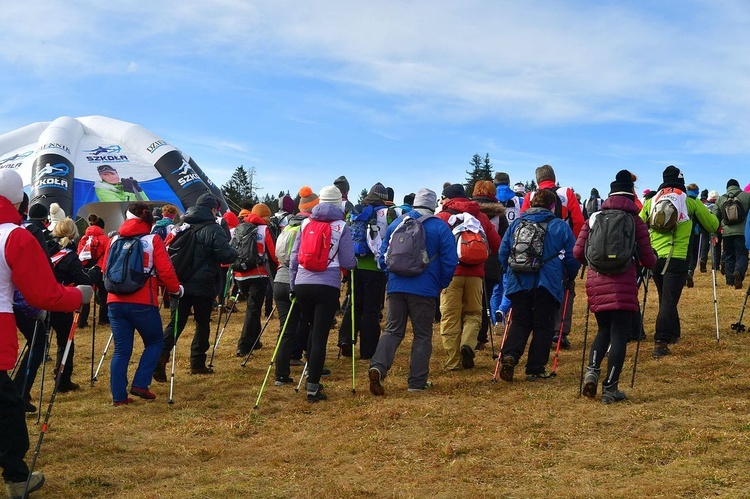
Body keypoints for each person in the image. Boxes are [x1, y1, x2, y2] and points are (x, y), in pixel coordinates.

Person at [0, 169, 90, 498]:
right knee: (8, 410)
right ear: (19, 199)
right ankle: (16, 477)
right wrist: (78, 296)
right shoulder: (15, 235)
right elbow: (43, 295)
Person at [574, 170, 656, 403]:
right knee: (619, 334)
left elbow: (577, 252)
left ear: (610, 195)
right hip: (624, 281)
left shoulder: (594, 218)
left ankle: (591, 372)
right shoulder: (635, 220)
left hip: (597, 280)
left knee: (603, 331)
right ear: (631, 195)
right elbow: (648, 260)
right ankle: (610, 389)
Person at [368, 188, 457, 395]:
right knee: (422, 335)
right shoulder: (440, 227)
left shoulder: (396, 224)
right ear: (434, 205)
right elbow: (451, 260)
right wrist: (440, 283)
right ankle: (416, 382)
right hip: (425, 289)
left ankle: (378, 366)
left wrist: (391, 277)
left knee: (392, 331)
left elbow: (383, 256)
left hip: (397, 286)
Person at [498, 189, 580, 381]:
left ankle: (510, 355)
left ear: (531, 203)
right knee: (544, 325)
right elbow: (572, 256)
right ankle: (535, 368)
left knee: (520, 321)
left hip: (518, 280)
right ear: (552, 206)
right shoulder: (559, 226)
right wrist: (570, 275)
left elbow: (503, 252)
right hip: (547, 282)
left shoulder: (517, 223)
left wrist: (509, 271)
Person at [106, 202, 182, 405]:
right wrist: (176, 289)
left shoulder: (114, 239)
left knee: (121, 350)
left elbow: (106, 267)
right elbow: (165, 270)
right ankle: (140, 383)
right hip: (143, 301)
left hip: (114, 300)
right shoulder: (152, 239)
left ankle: (119, 396)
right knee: (155, 342)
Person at [639, 166, 719, 358]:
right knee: (669, 299)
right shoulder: (688, 200)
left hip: (655, 257)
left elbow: (640, 224)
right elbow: (712, 224)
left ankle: (673, 333)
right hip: (677, 256)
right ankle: (661, 342)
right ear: (681, 181)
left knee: (665, 297)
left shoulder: (652, 200)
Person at [154, 193, 237, 379]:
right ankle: (197, 363)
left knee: (176, 322)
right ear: (212, 209)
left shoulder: (179, 226)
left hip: (180, 281)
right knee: (202, 323)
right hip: (203, 283)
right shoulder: (213, 229)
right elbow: (226, 256)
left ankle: (161, 354)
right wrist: (234, 250)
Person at [290, 185, 356, 402]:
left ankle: (310, 373)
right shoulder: (341, 226)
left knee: (311, 329)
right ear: (339, 203)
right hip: (327, 284)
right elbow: (346, 261)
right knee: (319, 335)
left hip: (302, 283)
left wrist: (293, 285)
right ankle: (313, 386)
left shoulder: (305, 223)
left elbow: (293, 258)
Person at [436, 183, 501, 370]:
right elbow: (496, 244)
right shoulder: (480, 216)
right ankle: (468, 343)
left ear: (448, 199)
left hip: (451, 275)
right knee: (473, 313)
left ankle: (453, 361)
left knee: (450, 316)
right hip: (476, 274)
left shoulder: (443, 217)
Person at [521, 164, 584, 350]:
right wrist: (572, 244)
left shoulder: (530, 196)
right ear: (554, 178)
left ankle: (539, 328)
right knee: (566, 288)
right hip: (560, 248)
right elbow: (578, 220)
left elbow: (522, 220)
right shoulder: (566, 193)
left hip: (534, 251)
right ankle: (560, 331)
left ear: (537, 180)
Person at [338, 183, 395, 360]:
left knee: (354, 304)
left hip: (355, 265)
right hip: (376, 267)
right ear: (384, 198)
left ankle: (346, 339)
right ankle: (368, 350)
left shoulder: (355, 211)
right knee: (371, 308)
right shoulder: (387, 214)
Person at [48, 217, 95, 392]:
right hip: (61, 302)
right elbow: (83, 280)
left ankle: (25, 386)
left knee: (37, 345)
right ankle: (63, 380)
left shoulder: (47, 248)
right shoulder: (70, 256)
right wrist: (96, 272)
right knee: (65, 342)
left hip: (40, 301)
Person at [234, 203, 278, 356]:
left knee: (253, 308)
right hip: (258, 274)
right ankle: (244, 345)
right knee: (253, 309)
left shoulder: (239, 228)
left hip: (239, 274)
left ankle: (255, 340)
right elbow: (274, 254)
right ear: (264, 216)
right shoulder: (264, 229)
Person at [471, 180, 508, 349]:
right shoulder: (500, 215)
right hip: (491, 262)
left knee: (470, 301)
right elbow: (504, 240)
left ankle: (468, 334)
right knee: (485, 301)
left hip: (469, 259)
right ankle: (480, 337)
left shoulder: (469, 211)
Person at [77, 213, 111, 327]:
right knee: (103, 294)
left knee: (85, 293)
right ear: (102, 227)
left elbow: (79, 254)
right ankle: (103, 319)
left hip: (86, 268)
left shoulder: (84, 238)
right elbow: (108, 255)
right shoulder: (105, 239)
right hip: (100, 269)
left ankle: (82, 321)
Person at [715, 179, 750, 289]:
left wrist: (715, 232)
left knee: (729, 255)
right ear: (738, 186)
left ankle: (730, 281)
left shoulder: (720, 199)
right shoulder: (746, 196)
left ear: (727, 187)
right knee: (742, 255)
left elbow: (715, 217)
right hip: (742, 232)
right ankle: (739, 272)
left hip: (726, 233)